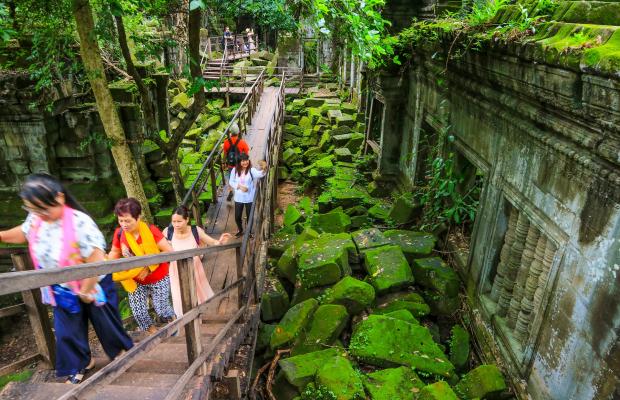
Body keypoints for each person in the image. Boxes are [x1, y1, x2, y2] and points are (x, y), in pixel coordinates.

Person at [0, 174, 133, 384]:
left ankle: (119, 353)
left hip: (93, 282)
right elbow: (25, 232)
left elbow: (96, 259)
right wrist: (2, 235)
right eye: (33, 209)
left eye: (44, 208)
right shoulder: (36, 218)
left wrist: (86, 290)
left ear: (60, 198)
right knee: (67, 331)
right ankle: (80, 363)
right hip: (62, 287)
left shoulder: (80, 222)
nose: (39, 214)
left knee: (106, 323)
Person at [108, 198, 176, 334]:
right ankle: (153, 334)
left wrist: (148, 267)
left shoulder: (151, 231)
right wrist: (104, 266)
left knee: (162, 308)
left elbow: (169, 252)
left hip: (158, 276)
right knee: (138, 312)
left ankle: (174, 322)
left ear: (138, 217)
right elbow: (114, 252)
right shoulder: (120, 233)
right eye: (120, 220)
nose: (124, 224)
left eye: (128, 221)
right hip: (135, 278)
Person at [162, 206, 232, 317]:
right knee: (178, 295)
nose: (176, 225)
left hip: (194, 268)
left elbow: (212, 242)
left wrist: (220, 241)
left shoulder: (195, 231)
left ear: (187, 220)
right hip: (175, 270)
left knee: (196, 294)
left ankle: (196, 317)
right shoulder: (167, 232)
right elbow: (160, 249)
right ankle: (184, 319)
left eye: (179, 221)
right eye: (174, 221)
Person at [229, 154, 267, 237]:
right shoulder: (234, 170)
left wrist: (264, 167)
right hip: (238, 197)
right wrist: (239, 186)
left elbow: (260, 174)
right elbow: (231, 181)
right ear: (239, 162)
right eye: (243, 161)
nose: (245, 162)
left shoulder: (251, 170)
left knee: (250, 216)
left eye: (246, 160)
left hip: (249, 197)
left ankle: (249, 232)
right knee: (237, 216)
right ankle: (240, 230)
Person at [223, 128, 250, 202]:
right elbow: (246, 154)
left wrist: (223, 162)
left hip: (230, 164)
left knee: (230, 178)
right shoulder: (242, 142)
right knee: (241, 178)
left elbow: (225, 154)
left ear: (231, 133)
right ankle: (241, 192)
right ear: (238, 132)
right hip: (239, 165)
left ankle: (231, 191)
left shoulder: (226, 142)